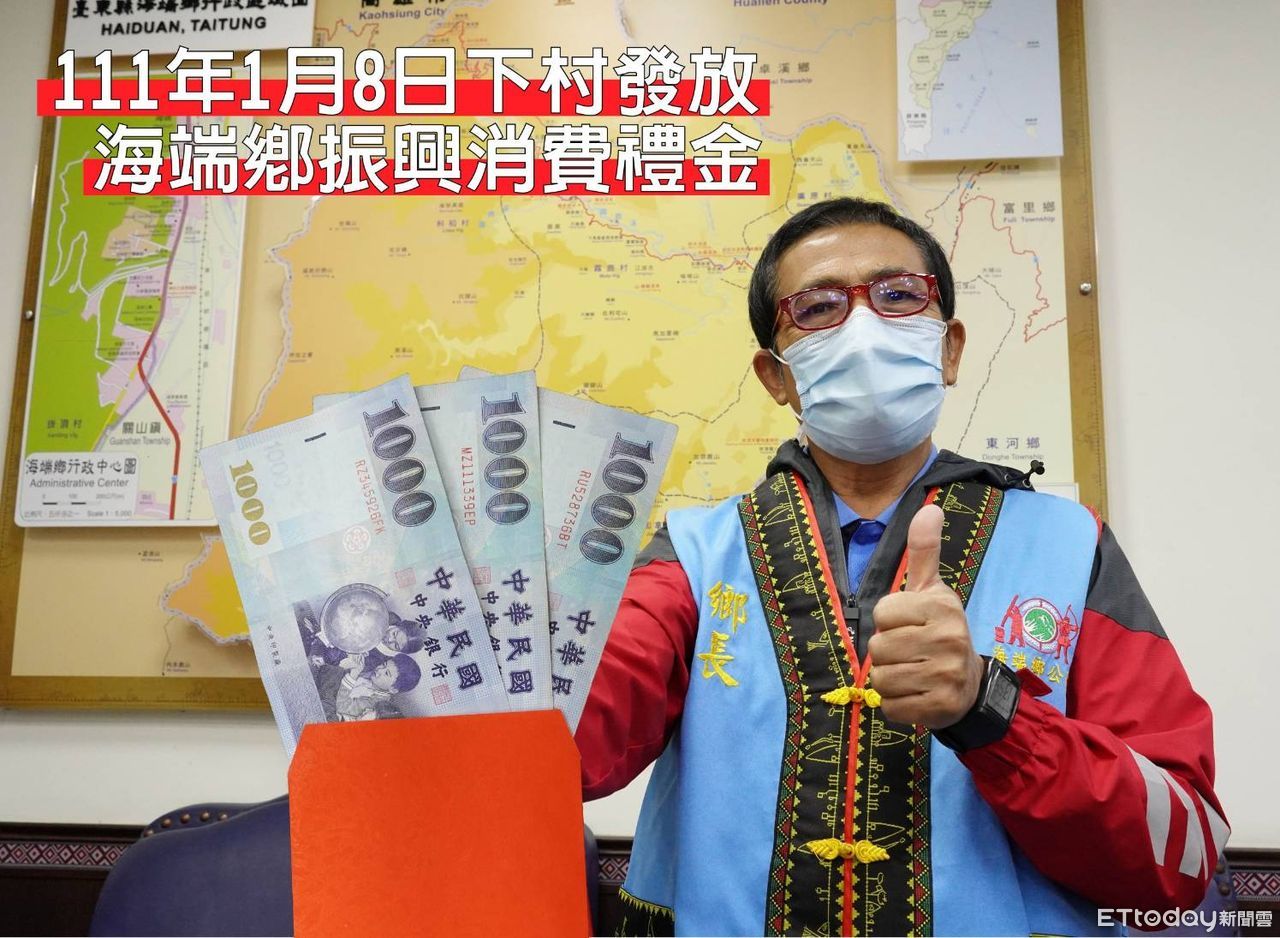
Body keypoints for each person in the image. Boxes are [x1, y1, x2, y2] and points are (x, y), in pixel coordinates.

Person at [574, 198, 1226, 936]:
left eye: (898, 295)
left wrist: (991, 711)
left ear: (949, 349)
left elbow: (1182, 851)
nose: (863, 326)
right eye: (818, 307)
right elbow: (569, 743)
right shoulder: (692, 556)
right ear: (775, 376)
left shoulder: (1070, 546)